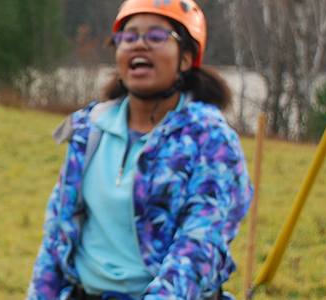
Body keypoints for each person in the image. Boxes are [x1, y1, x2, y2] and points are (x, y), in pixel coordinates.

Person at [28, 0, 252, 299]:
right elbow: (57, 235)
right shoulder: (90, 130)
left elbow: (199, 246)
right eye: (129, 37)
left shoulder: (211, 141)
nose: (139, 45)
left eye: (156, 37)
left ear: (185, 58)